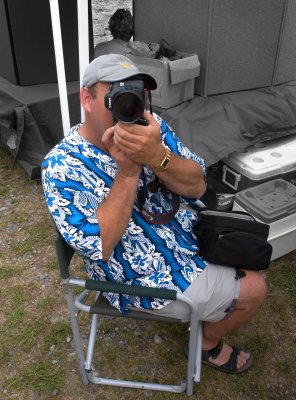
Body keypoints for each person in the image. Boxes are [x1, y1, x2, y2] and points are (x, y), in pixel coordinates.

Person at [42, 54, 267, 375]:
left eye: (136, 95)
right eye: (117, 97)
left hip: (188, 236)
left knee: (254, 255)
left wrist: (158, 157)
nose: (130, 107)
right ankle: (206, 345)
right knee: (256, 288)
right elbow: (98, 246)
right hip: (143, 275)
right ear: (87, 99)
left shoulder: (152, 128)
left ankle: (210, 307)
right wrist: (129, 172)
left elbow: (198, 184)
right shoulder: (62, 167)